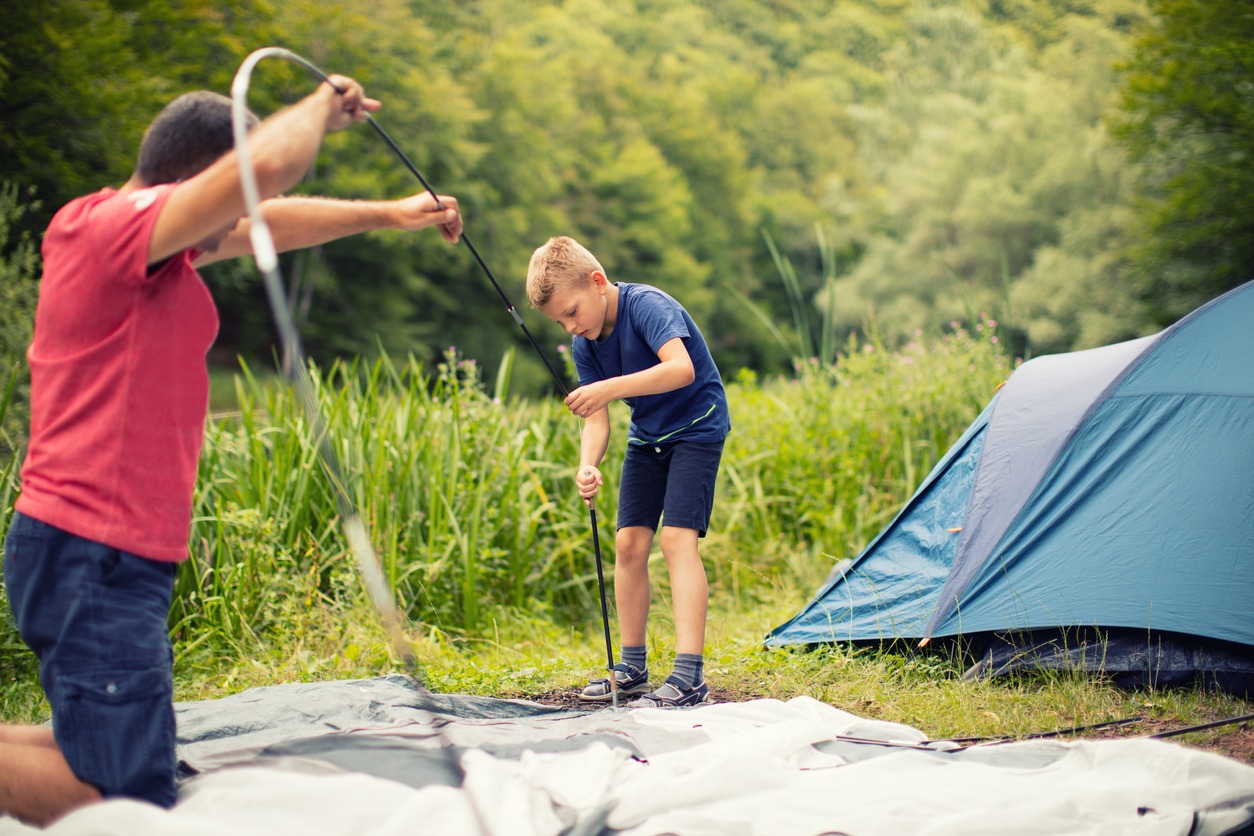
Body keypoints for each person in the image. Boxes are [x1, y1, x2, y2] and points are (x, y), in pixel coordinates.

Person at [0, 76, 462, 826]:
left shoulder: (153, 248)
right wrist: (319, 105)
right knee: (128, 800)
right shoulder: (108, 228)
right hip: (93, 555)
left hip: (108, 558)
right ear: (199, 179)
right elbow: (270, 173)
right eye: (231, 198)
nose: (242, 222)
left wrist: (387, 214)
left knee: (104, 759)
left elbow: (268, 222)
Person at [525, 236, 730, 709]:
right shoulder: (586, 344)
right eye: (559, 321)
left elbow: (679, 370)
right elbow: (596, 419)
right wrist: (587, 464)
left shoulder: (647, 307)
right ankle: (632, 667)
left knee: (677, 540)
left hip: (697, 427)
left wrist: (610, 388)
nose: (570, 326)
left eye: (572, 312)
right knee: (628, 543)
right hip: (648, 437)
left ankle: (688, 675)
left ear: (598, 283)